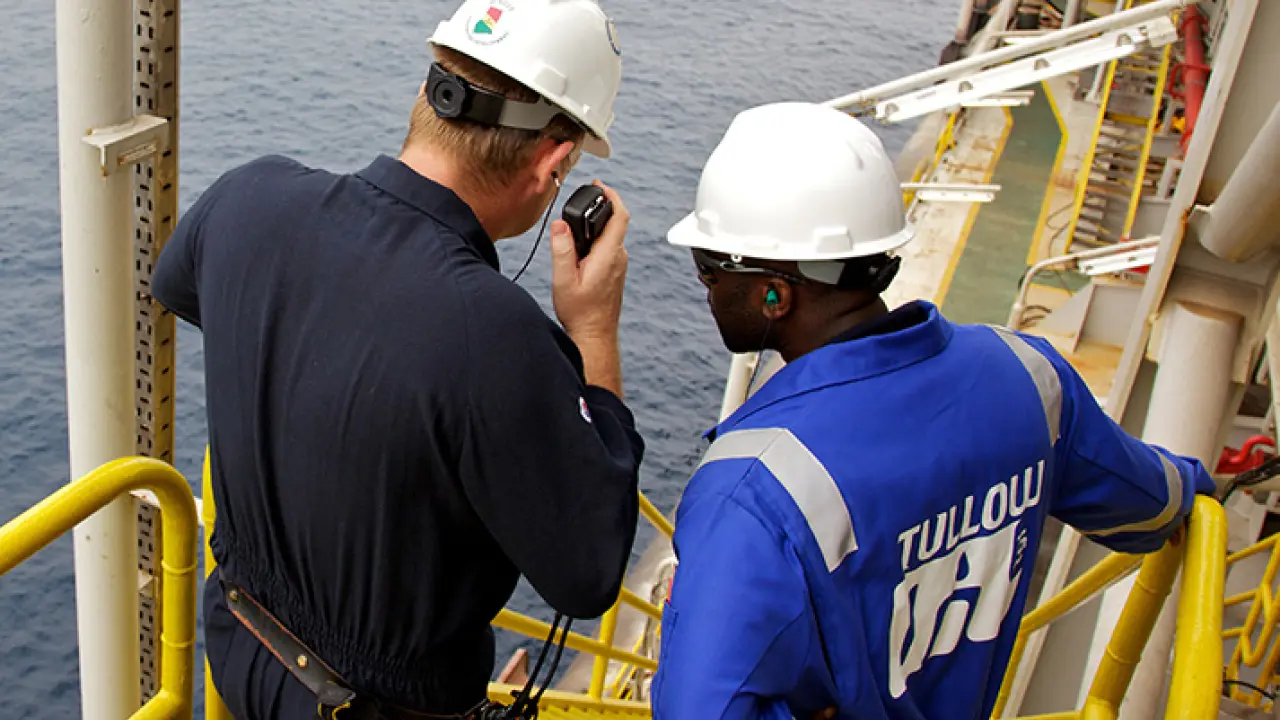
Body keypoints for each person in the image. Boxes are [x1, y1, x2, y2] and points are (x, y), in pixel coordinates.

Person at [151, 0, 644, 718]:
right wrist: (593, 331)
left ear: (428, 93)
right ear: (552, 162)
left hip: (239, 652)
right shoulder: (496, 332)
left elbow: (178, 287)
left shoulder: (247, 196)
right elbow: (589, 570)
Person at [649, 101, 1216, 720]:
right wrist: (1204, 490)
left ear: (774, 295)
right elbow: (1153, 506)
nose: (705, 290)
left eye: (709, 272)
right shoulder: (1028, 376)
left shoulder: (749, 490)